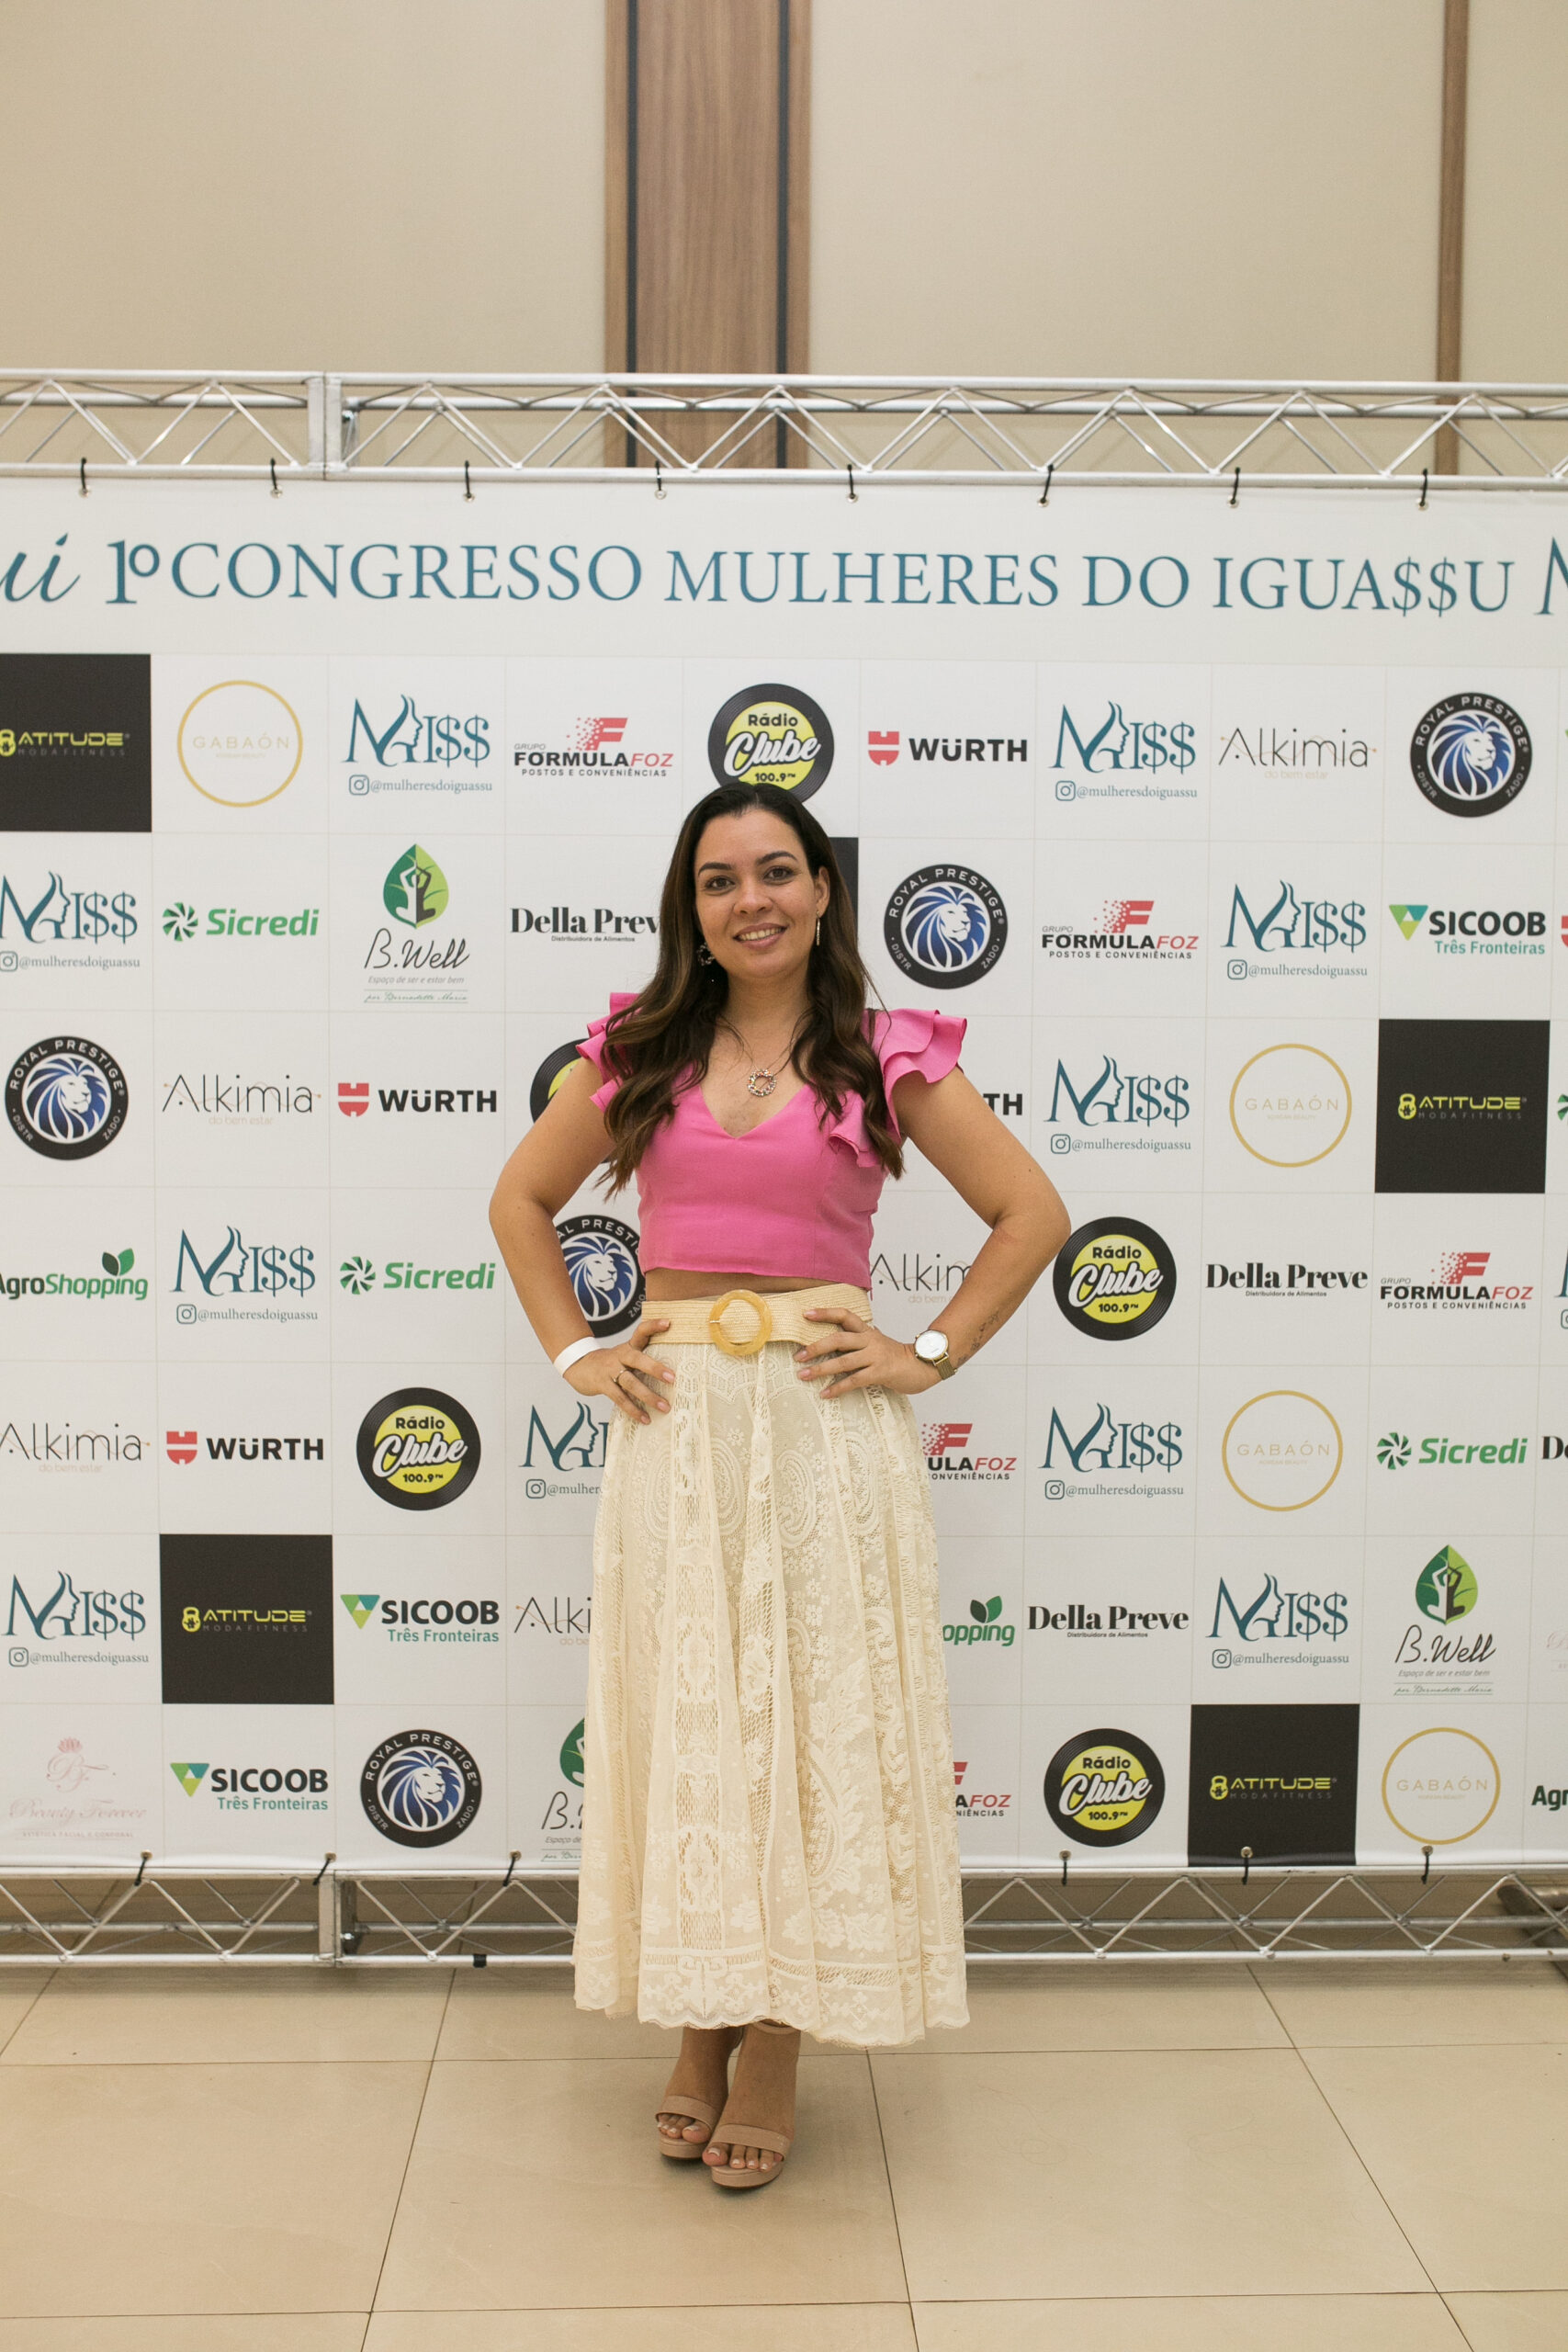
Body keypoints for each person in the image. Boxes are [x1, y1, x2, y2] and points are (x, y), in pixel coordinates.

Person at [491, 781, 1068, 2188]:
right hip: (678, 1421)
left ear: (821, 892)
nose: (748, 898)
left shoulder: (885, 1054)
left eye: (774, 871)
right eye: (718, 879)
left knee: (809, 1733)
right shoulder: (636, 1050)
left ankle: (777, 2042)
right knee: (695, 1723)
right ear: (691, 908)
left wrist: (928, 1352)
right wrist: (576, 1353)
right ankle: (700, 2021)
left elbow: (1032, 1214)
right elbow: (520, 1200)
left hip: (824, 1427)